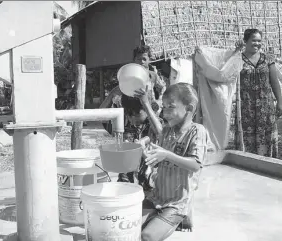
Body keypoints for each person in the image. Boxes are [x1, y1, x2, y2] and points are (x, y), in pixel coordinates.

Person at [133, 83, 211, 240]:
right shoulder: (168, 132)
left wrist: (167, 155)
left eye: (170, 107)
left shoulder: (197, 131)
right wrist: (143, 152)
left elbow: (195, 165)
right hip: (156, 197)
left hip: (177, 203)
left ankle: (182, 218)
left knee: (147, 236)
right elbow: (155, 158)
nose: (164, 112)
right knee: (128, 226)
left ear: (189, 109)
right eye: (164, 107)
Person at [229, 29, 282, 157]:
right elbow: (224, 69)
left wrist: (280, 102)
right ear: (245, 41)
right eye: (254, 40)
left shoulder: (267, 59)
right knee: (247, 136)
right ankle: (249, 163)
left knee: (266, 134)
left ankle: (268, 162)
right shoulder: (238, 59)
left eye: (259, 41)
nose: (257, 43)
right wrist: (235, 52)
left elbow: (274, 82)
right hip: (246, 107)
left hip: (266, 107)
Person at [100, 45, 166, 134]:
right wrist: (114, 94)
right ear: (134, 60)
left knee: (153, 136)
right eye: (139, 59)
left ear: (149, 60)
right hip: (131, 113)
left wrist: (159, 101)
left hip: (149, 111)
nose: (142, 61)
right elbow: (117, 93)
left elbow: (163, 88)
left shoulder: (152, 76)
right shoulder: (129, 74)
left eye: (144, 59)